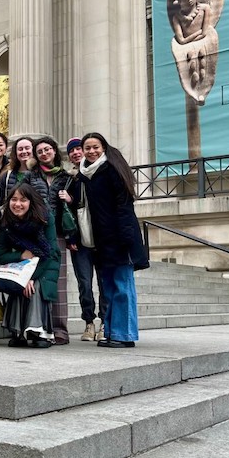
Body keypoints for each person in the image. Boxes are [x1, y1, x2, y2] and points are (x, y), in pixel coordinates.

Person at [66, 132, 149, 348]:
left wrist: (126, 238)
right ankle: (113, 332)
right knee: (110, 288)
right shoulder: (85, 175)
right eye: (87, 148)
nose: (91, 151)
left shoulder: (112, 168)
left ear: (103, 147)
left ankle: (124, 335)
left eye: (96, 147)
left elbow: (123, 206)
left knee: (122, 287)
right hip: (102, 241)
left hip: (120, 239)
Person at [0, 182, 59, 348]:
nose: (18, 204)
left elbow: (50, 252)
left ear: (31, 202)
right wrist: (20, 255)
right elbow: (0, 255)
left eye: (23, 200)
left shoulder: (44, 218)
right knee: (17, 285)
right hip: (22, 264)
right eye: (14, 199)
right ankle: (18, 332)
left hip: (46, 263)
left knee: (35, 286)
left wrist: (30, 277)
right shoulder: (7, 221)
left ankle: (41, 333)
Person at [64, 136, 108, 341]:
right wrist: (70, 237)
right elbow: (67, 212)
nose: (75, 153)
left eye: (78, 149)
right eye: (71, 150)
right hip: (80, 239)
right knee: (84, 283)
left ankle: (105, 323)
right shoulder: (70, 178)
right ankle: (89, 322)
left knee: (103, 282)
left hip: (101, 237)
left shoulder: (99, 173)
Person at [34, 136, 73, 345]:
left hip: (58, 233)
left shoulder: (66, 177)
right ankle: (42, 327)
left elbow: (76, 206)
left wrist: (70, 199)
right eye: (39, 151)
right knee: (39, 281)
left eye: (47, 149)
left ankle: (60, 330)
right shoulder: (31, 177)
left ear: (54, 152)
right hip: (37, 235)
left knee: (59, 282)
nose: (43, 153)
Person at [0, 136, 48, 205]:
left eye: (27, 148)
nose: (24, 151)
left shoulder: (43, 173)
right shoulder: (6, 176)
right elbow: (0, 201)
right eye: (20, 149)